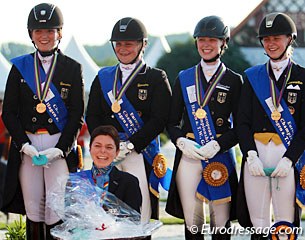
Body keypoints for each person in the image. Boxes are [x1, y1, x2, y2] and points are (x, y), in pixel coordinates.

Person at [1, 3, 84, 239]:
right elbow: (8, 112)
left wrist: (61, 149)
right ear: (31, 35)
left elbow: (77, 115)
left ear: (59, 33)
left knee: (56, 209)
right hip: (27, 145)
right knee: (33, 206)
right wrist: (22, 143)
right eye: (39, 31)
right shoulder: (19, 67)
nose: (44, 36)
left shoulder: (72, 68)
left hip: (57, 144)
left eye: (50, 31)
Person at [86, 17, 172, 227]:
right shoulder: (103, 76)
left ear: (143, 44)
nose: (123, 49)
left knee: (140, 209)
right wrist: (108, 145)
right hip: (108, 153)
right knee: (102, 210)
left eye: (129, 43)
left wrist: (133, 143)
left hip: (139, 151)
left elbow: (160, 119)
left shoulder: (156, 77)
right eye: (119, 44)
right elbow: (93, 115)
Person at [165, 16, 243, 240]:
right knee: (193, 223)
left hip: (219, 154)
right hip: (189, 155)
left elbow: (240, 127)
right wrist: (181, 141)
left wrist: (219, 144)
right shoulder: (184, 77)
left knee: (221, 223)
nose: (206, 44)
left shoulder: (234, 80)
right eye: (201, 39)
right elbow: (171, 122)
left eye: (212, 39)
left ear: (223, 42)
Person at [237, 12, 305, 239]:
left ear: (289, 39)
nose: (271, 43)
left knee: (285, 223)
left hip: (287, 155)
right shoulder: (252, 77)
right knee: (259, 223)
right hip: (256, 154)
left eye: (276, 38)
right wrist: (250, 154)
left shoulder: (303, 77)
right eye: (266, 39)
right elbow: (242, 121)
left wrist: (290, 158)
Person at [70, 125, 142, 213]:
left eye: (109, 147)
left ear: (117, 152)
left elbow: (133, 221)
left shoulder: (129, 182)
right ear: (90, 149)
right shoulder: (76, 180)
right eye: (97, 146)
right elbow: (68, 216)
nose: (103, 151)